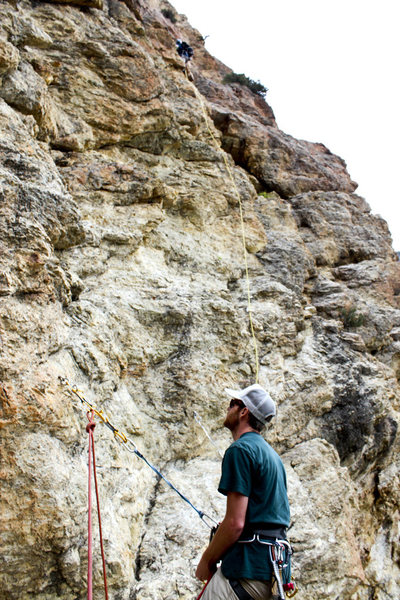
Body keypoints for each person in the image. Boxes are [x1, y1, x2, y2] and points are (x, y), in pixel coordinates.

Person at [195, 384, 291, 600]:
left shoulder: (240, 451)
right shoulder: (273, 458)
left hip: (245, 571)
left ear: (243, 411)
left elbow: (235, 524)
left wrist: (206, 561)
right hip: (270, 574)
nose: (228, 409)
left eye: (232, 404)